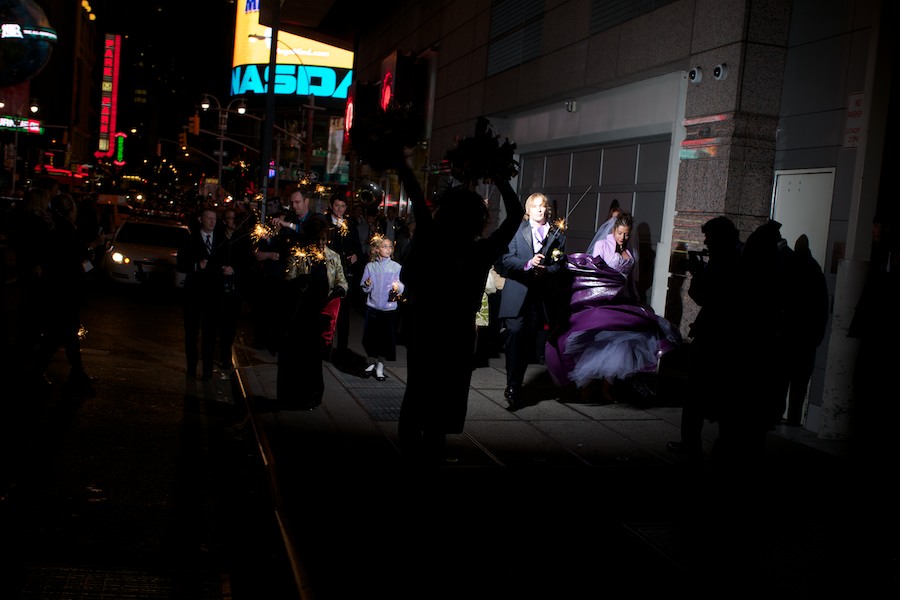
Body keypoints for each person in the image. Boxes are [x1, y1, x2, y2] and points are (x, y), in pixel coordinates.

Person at [395, 150, 524, 464]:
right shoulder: (481, 251)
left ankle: (408, 451)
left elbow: (413, 192)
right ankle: (433, 452)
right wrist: (499, 177)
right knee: (445, 395)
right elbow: (516, 215)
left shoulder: (430, 238)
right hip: (457, 334)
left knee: (418, 390)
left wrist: (400, 161)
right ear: (477, 221)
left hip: (425, 327)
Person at [544, 211, 681, 403]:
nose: (623, 238)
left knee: (619, 344)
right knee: (598, 343)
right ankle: (587, 387)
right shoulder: (602, 245)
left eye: (626, 234)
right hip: (604, 300)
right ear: (614, 230)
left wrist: (635, 298)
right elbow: (593, 272)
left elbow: (631, 279)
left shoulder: (630, 250)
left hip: (622, 300)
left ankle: (606, 388)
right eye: (620, 233)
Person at [667, 216, 742, 457]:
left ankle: (692, 446)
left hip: (714, 336)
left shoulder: (723, 262)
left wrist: (699, 273)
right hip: (725, 336)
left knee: (696, 396)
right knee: (719, 396)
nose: (706, 243)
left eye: (709, 238)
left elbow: (704, 295)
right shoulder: (737, 258)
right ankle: (721, 446)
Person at [498, 192, 566, 407]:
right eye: (534, 206)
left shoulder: (557, 235)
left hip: (539, 298)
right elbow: (507, 260)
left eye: (542, 206)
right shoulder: (517, 231)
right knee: (515, 334)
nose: (539, 209)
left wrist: (546, 269)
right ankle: (512, 385)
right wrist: (528, 264)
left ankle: (516, 385)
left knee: (527, 345)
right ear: (528, 210)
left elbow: (560, 265)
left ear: (547, 209)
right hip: (517, 294)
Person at [274, 215, 348, 409]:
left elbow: (341, 280)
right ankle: (291, 396)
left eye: (325, 239)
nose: (322, 243)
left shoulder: (333, 257)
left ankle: (312, 396)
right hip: (300, 314)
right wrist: (298, 282)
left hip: (320, 313)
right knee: (296, 357)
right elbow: (287, 280)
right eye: (319, 239)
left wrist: (341, 289)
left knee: (314, 359)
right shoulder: (299, 255)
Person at [33, 193, 96, 396]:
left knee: (66, 334)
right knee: (60, 334)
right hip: (66, 291)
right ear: (70, 211)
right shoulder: (67, 233)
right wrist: (90, 257)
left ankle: (77, 374)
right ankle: (70, 374)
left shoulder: (55, 231)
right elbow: (78, 263)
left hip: (56, 289)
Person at [775, 234, 829, 426]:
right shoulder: (815, 270)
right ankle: (793, 421)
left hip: (789, 339)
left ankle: (776, 418)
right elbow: (822, 308)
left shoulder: (791, 268)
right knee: (799, 387)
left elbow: (784, 303)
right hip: (807, 342)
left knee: (781, 383)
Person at [176, 205, 229, 380]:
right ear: (201, 220)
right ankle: (192, 366)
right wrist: (197, 266)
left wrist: (228, 269)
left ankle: (207, 369)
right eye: (208, 218)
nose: (212, 222)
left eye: (214, 219)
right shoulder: (190, 239)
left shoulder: (221, 240)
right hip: (194, 293)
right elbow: (181, 263)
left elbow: (226, 260)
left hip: (213, 294)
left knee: (210, 333)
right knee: (191, 332)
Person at [359, 234, 404, 381]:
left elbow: (400, 284)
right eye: (384, 246)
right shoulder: (370, 266)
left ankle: (380, 367)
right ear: (377, 249)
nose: (388, 249)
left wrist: (398, 288)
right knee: (370, 338)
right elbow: (364, 285)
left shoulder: (396, 267)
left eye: (390, 246)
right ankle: (371, 362)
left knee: (385, 340)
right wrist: (367, 284)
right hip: (372, 308)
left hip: (388, 309)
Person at [325, 194, 364, 358]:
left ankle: (342, 348)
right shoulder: (325, 223)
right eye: (336, 206)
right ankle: (325, 347)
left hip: (345, 275)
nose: (339, 209)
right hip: (327, 274)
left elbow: (358, 249)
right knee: (327, 312)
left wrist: (356, 256)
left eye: (342, 206)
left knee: (343, 314)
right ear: (331, 206)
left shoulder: (350, 225)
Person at [217, 207, 254, 371]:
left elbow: (248, 263)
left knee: (230, 324)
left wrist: (235, 270)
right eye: (230, 218)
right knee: (217, 322)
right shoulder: (218, 237)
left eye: (235, 218)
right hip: (218, 287)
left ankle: (225, 357)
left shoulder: (243, 239)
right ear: (225, 221)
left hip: (235, 288)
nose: (233, 221)